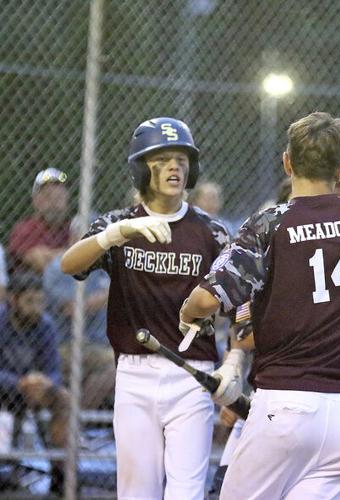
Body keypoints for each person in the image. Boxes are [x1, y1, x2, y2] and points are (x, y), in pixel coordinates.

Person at [181, 96, 340, 499]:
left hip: (284, 406)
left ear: (288, 164)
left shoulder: (271, 223)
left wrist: (191, 313)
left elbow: (204, 301)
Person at [60, 117, 231, 500]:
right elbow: (69, 266)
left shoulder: (211, 231)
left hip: (193, 374)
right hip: (135, 373)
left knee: (187, 491)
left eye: (182, 159)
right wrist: (114, 235)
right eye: (162, 159)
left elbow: (242, 306)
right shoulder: (119, 224)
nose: (174, 167)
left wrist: (234, 363)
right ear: (141, 168)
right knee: (137, 492)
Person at [208, 163, 340, 497]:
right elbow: (241, 329)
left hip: (335, 399)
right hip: (266, 400)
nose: (332, 203)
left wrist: (321, 311)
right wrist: (234, 365)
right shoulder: (270, 245)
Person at [0, 272, 70, 494]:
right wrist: (18, 382)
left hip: (34, 391)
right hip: (5, 388)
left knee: (63, 398)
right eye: (30, 301)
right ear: (13, 300)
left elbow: (54, 371)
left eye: (40, 301)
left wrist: (45, 382)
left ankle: (62, 472)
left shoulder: (45, 325)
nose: (36, 307)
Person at [43, 215, 114, 409]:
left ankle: (78, 417)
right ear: (73, 237)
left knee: (119, 365)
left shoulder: (105, 268)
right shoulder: (59, 267)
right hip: (64, 345)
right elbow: (73, 309)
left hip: (98, 346)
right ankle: (74, 420)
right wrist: (109, 294)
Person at [9, 167, 70, 274]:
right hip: (37, 287)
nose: (54, 203)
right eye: (48, 196)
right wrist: (72, 254)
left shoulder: (72, 228)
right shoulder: (25, 228)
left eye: (59, 197)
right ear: (35, 201)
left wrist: (50, 255)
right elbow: (40, 262)